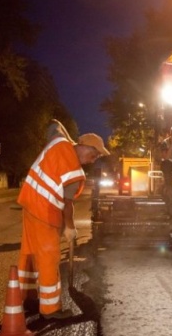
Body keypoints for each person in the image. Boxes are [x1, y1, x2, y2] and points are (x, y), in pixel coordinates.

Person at [17, 119, 110, 320]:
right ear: (83, 147)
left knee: (30, 253)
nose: (93, 160)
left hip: (29, 203)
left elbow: (52, 124)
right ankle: (50, 310)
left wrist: (68, 138)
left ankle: (28, 297)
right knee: (49, 258)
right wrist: (70, 227)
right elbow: (67, 204)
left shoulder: (58, 142)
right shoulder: (74, 172)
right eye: (93, 155)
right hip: (45, 214)